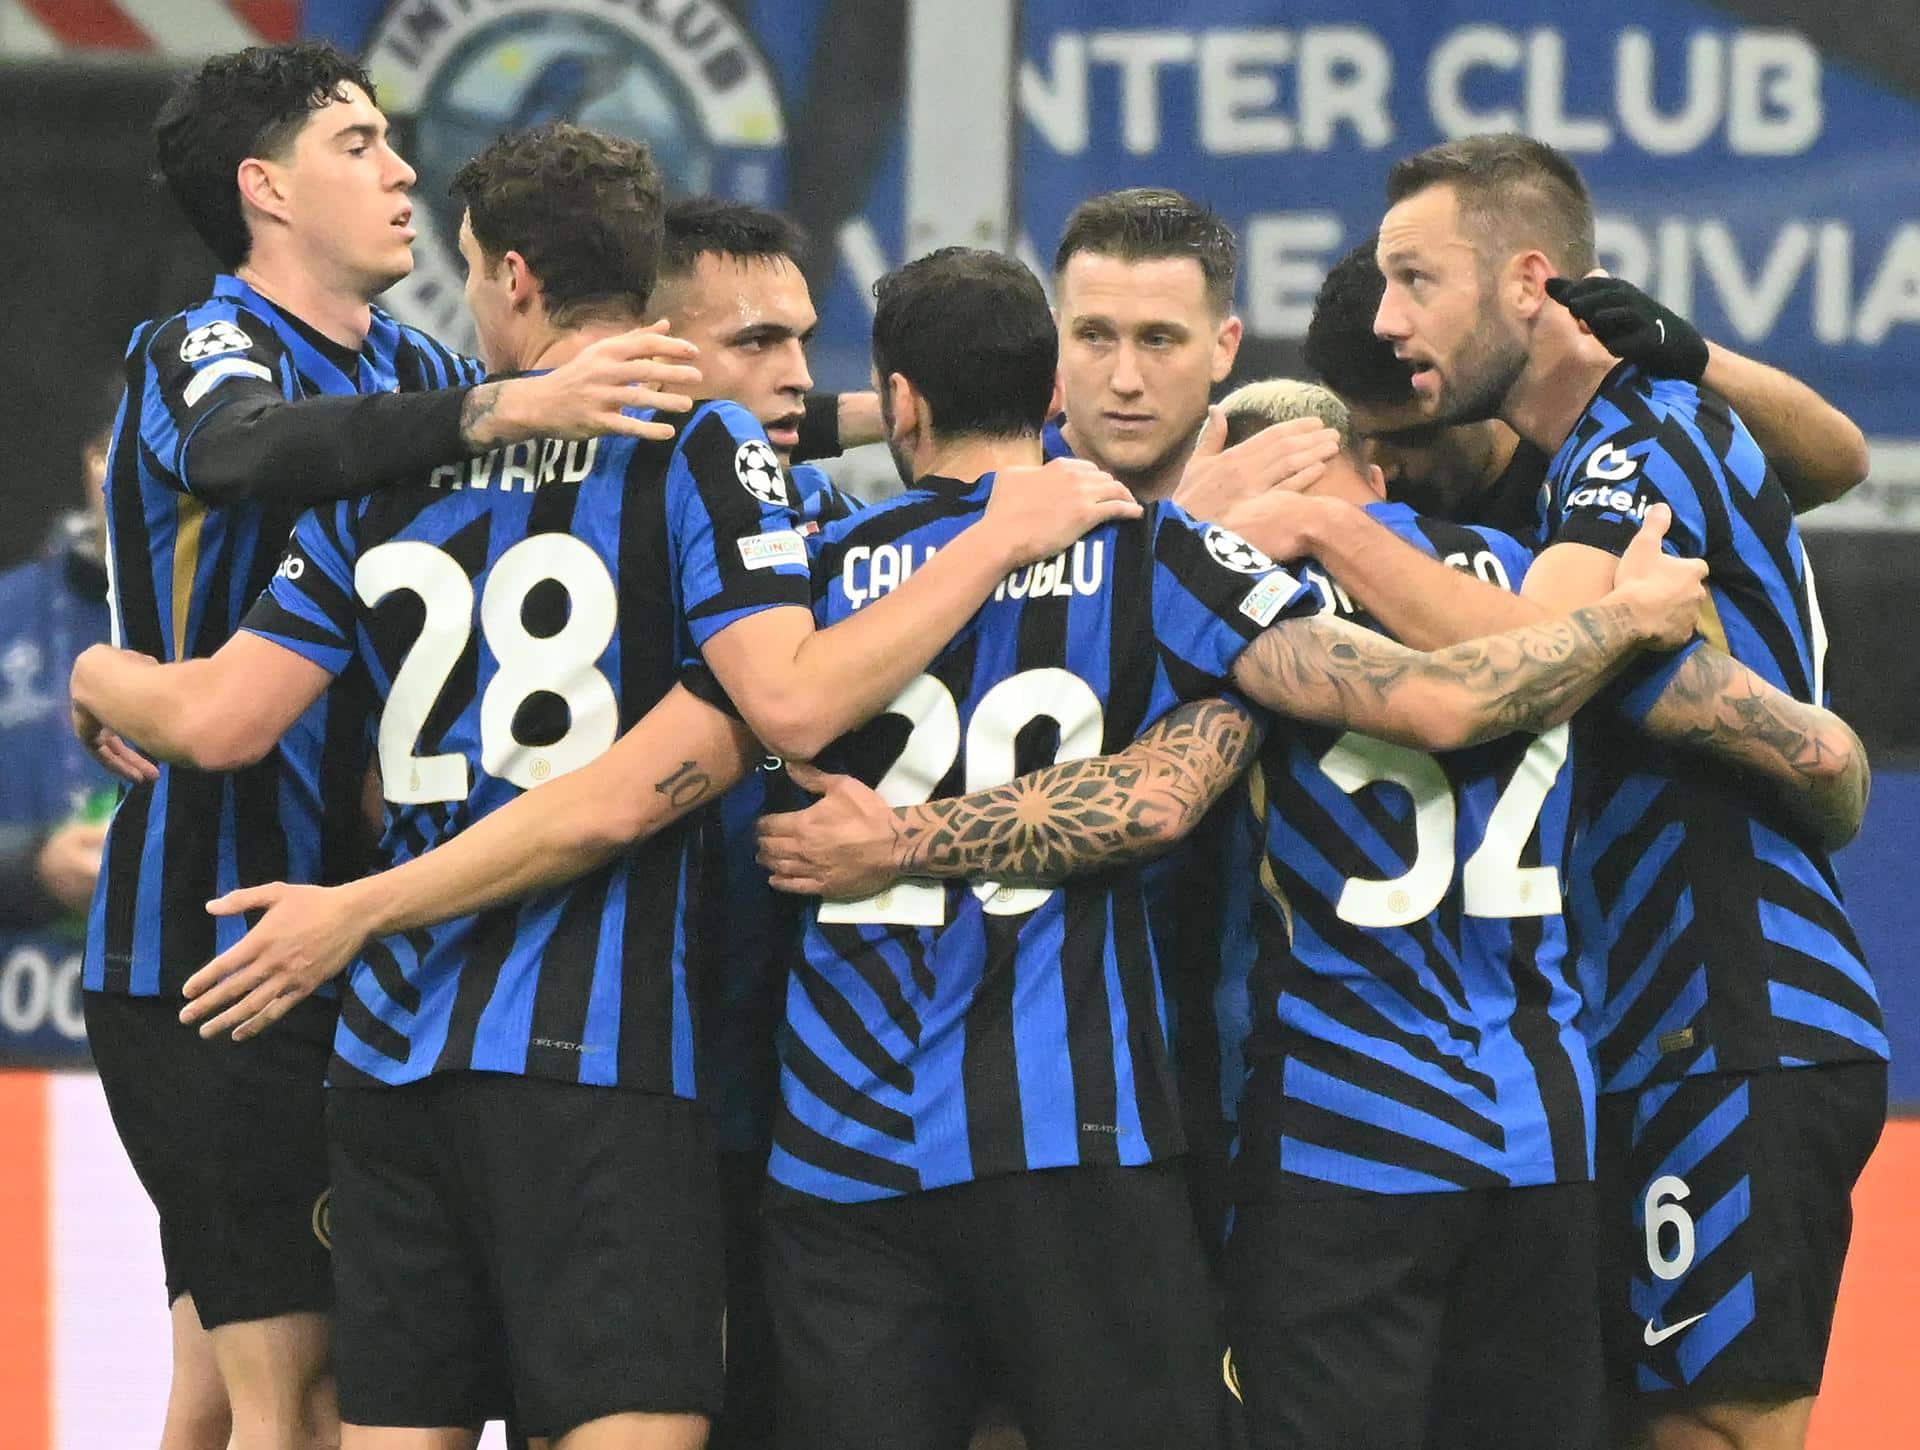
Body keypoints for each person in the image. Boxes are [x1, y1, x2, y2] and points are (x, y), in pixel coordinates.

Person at [71, 125, 1138, 1450]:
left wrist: (99, 669)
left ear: (514, 278)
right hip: (597, 1060)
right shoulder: (698, 453)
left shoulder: (392, 461)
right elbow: (784, 703)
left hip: (390, 1050)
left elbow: (222, 716)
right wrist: (994, 533)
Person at [752, 380, 1869, 1450]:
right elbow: (1821, 755)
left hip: (1339, 1140)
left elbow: (1163, 794)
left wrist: (897, 837)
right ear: (1374, 472)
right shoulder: (1539, 601)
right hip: (1544, 1129)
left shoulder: (1247, 615)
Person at [79, 41, 707, 1450]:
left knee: (241, 1388)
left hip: (376, 935)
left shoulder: (423, 362)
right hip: (212, 937)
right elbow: (245, 448)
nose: (403, 167)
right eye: (357, 142)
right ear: (266, 189)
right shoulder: (206, 343)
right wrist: (504, 405)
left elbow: (699, 435)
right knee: (295, 1392)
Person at [1233, 134, 1885, 1450]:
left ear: (1530, 281)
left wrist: (1323, 524)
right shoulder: (1637, 429)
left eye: (1416, 278)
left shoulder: (1623, 453)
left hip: (1732, 1010)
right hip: (1656, 1027)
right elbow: (1823, 463)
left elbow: (1498, 655)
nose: (1388, 314)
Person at [648, 195, 862, 1450]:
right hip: (639, 1081)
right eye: (755, 344)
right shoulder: (602, 529)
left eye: (803, 340)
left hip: (813, 1088)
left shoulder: (827, 510)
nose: (793, 375)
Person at [1301, 239, 1871, 535]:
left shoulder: (1618, 454)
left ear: (1470, 381)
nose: (1382, 467)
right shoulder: (1346, 485)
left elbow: (1839, 464)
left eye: (1409, 439)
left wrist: (1696, 356)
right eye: (1359, 432)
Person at [0, 376, 117, 1064]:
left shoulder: (252, 632)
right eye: (119, 456)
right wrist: (32, 869)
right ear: (92, 463)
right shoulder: (8, 617)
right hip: (20, 1052)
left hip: (182, 1067)